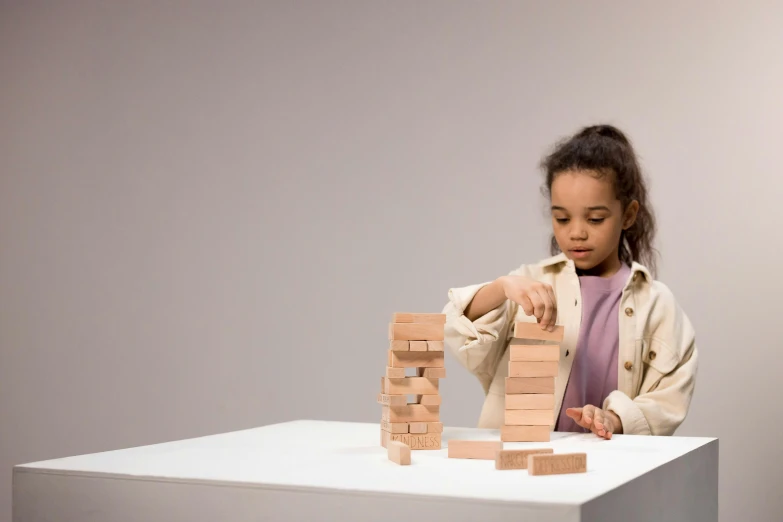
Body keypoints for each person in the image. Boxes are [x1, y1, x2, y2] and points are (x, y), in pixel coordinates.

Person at [441, 124, 698, 439]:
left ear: (628, 215)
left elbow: (669, 397)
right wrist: (502, 286)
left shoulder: (656, 304)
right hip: (524, 469)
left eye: (595, 219)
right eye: (562, 218)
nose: (576, 232)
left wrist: (615, 419)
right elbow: (457, 328)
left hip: (614, 469)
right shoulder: (529, 283)